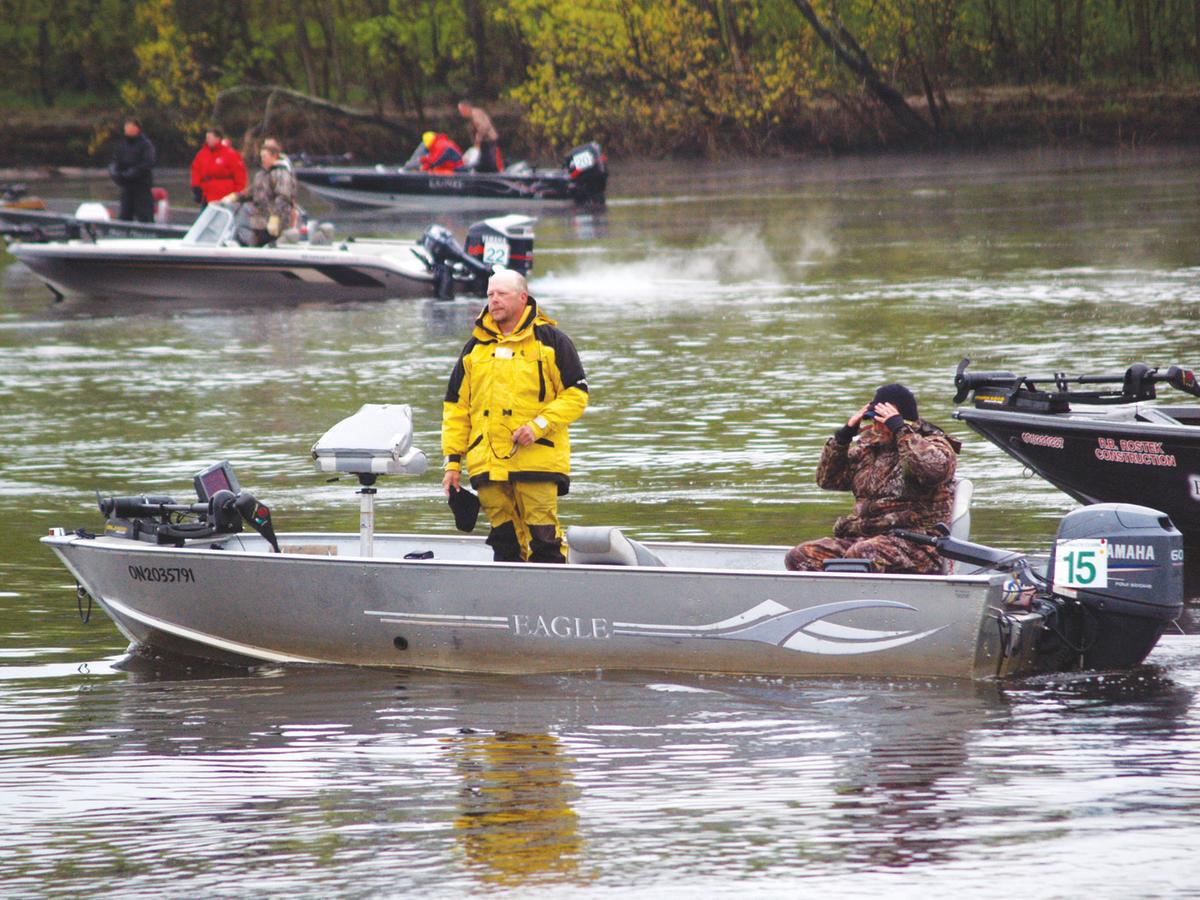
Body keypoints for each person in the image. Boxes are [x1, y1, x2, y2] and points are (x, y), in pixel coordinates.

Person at [441, 269, 589, 563]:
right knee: (504, 543)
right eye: (490, 294)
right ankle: (510, 603)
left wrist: (538, 426)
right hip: (487, 465)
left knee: (544, 539)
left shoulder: (552, 341)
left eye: (501, 294)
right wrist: (452, 463)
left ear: (523, 297)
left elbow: (577, 394)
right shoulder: (474, 348)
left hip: (538, 459)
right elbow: (456, 409)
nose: (493, 301)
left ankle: (554, 600)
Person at [784, 383, 962, 575]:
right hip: (867, 539)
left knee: (862, 554)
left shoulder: (934, 444)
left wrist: (901, 431)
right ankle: (833, 598)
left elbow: (933, 472)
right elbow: (828, 480)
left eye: (881, 421)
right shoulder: (870, 449)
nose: (876, 427)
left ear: (901, 421)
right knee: (801, 555)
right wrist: (842, 439)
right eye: (872, 420)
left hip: (919, 546)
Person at [221, 137, 297, 247]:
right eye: (261, 157)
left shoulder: (282, 174)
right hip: (260, 220)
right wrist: (234, 197)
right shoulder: (262, 175)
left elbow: (283, 197)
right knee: (243, 233)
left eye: (265, 157)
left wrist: (275, 217)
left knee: (258, 237)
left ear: (274, 157)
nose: (262, 160)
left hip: (275, 222)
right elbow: (252, 192)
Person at [109, 117, 156, 222]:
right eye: (126, 128)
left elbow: (148, 162)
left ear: (137, 128)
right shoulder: (122, 144)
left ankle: (148, 233)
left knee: (145, 215)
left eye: (129, 127)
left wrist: (133, 172)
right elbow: (115, 160)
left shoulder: (146, 145)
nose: (127, 130)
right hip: (126, 186)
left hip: (141, 186)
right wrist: (114, 172)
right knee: (124, 214)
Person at [190, 128, 247, 208]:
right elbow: (196, 170)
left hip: (223, 197)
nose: (207, 140)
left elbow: (240, 175)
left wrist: (237, 194)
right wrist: (196, 187)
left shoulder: (230, 154)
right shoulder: (202, 154)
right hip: (206, 196)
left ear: (217, 139)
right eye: (207, 138)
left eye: (210, 138)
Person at [457, 100, 502, 173]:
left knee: (489, 160)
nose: (461, 113)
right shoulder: (471, 115)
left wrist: (478, 140)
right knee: (483, 159)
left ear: (466, 108)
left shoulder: (476, 114)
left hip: (489, 140)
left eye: (461, 110)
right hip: (484, 141)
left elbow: (484, 126)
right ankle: (483, 173)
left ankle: (493, 175)